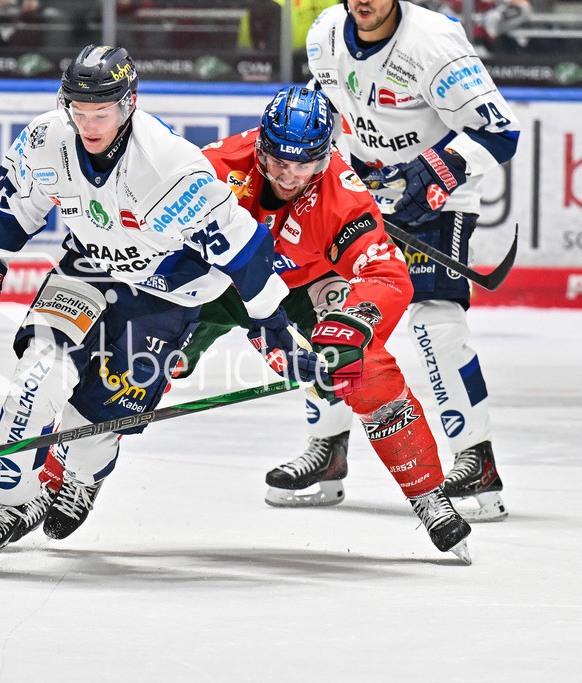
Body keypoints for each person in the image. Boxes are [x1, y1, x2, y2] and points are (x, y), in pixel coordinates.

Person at [0, 44, 320, 574]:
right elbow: (17, 204)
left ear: (129, 104)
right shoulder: (45, 138)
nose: (88, 124)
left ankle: (81, 478)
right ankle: (4, 505)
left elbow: (248, 250)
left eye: (100, 113)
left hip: (168, 290)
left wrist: (274, 324)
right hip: (89, 267)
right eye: (78, 111)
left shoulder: (168, 167)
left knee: (100, 413)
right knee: (37, 372)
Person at [181, 85, 472, 562]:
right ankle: (58, 479)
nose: (289, 175)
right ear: (260, 146)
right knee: (140, 363)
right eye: (278, 161)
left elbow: (384, 273)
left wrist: (355, 325)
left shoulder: (342, 195)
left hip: (304, 284)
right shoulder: (212, 169)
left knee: (366, 369)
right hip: (215, 282)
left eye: (305, 165)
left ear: (326, 155)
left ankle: (428, 496)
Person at [282, 0, 520, 522]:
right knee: (331, 313)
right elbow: (334, 116)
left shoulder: (431, 41)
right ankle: (328, 448)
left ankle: (475, 458)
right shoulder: (324, 34)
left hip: (436, 199)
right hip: (360, 197)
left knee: (436, 323)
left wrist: (437, 169)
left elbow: (500, 132)